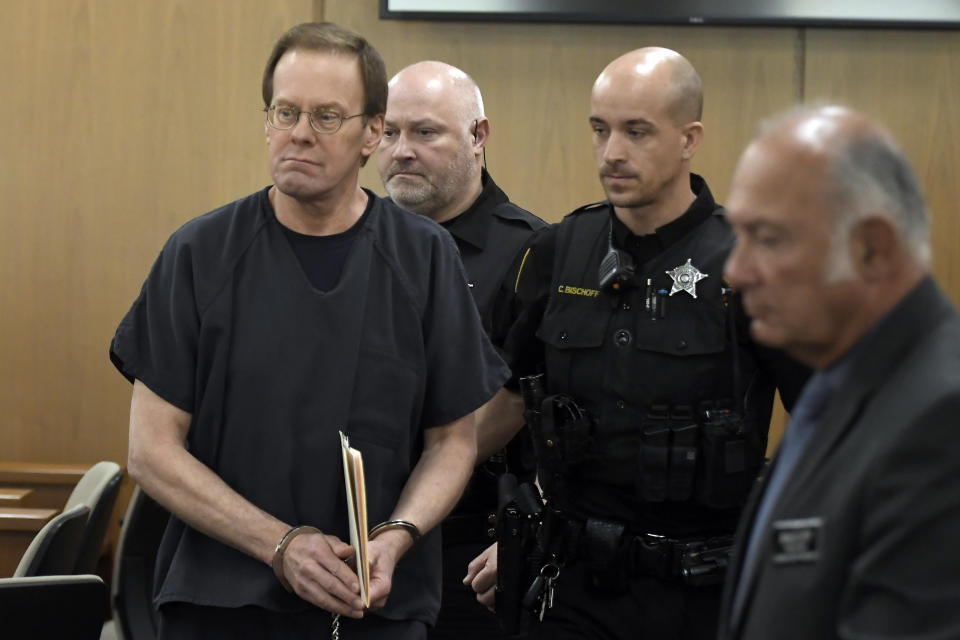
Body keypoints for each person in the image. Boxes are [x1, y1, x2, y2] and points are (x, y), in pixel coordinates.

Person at [109, 22, 508, 640]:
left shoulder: (423, 258)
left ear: (372, 131)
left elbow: (451, 443)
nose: (298, 133)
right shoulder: (199, 253)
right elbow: (151, 451)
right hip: (220, 605)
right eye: (284, 112)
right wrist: (279, 545)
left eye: (325, 117)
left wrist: (397, 536)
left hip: (376, 604)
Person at [464, 47, 808, 639]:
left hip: (703, 593)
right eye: (600, 130)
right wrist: (410, 493)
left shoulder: (753, 262)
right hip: (572, 585)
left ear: (688, 138)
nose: (612, 152)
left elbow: (827, 423)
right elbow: (509, 402)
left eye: (637, 131)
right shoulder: (560, 249)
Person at [718, 106, 960, 639]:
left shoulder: (940, 418)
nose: (735, 271)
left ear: (872, 248)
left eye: (769, 238)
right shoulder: (839, 381)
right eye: (739, 235)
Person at [377, 60, 546, 639]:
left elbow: (516, 406)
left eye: (425, 132)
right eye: (389, 132)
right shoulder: (351, 241)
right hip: (349, 532)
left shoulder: (532, 253)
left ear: (478, 136)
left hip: (470, 551)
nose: (401, 150)